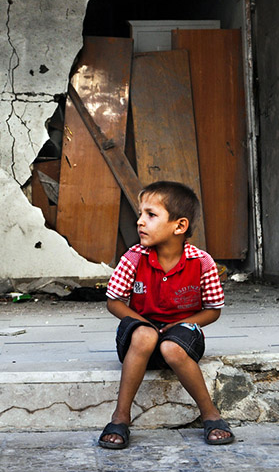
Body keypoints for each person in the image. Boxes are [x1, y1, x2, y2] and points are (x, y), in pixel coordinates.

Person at [98, 180, 234, 449]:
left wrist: (178, 325)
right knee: (146, 335)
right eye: (140, 214)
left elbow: (212, 311)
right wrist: (145, 323)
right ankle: (120, 417)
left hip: (182, 331)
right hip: (140, 335)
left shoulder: (202, 262)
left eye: (150, 215)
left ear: (179, 226)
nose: (140, 222)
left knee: (172, 347)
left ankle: (210, 415)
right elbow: (114, 302)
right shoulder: (134, 258)